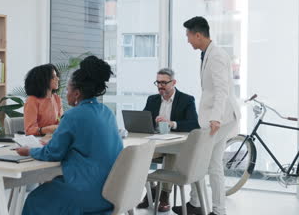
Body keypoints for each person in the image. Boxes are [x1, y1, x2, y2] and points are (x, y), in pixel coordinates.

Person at [16, 55, 123, 215]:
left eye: (68, 89)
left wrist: (29, 151)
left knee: (35, 199)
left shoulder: (73, 115)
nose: (65, 92)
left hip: (86, 194)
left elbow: (52, 153)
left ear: (77, 93)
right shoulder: (107, 112)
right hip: (111, 191)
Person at [172, 16, 241, 215]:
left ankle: (205, 206)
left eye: (188, 36)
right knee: (212, 164)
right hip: (217, 118)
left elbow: (222, 90)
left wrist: (216, 118)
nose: (187, 40)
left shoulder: (217, 56)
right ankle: (201, 205)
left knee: (201, 159)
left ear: (198, 35)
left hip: (222, 118)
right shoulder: (206, 54)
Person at [137, 68, 200, 212]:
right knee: (139, 155)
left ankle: (165, 194)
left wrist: (172, 123)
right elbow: (144, 119)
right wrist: (151, 122)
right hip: (156, 143)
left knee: (171, 156)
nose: (160, 86)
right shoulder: (152, 99)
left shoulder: (186, 99)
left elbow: (194, 123)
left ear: (174, 82)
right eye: (158, 82)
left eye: (164, 83)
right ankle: (151, 190)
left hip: (176, 144)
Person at [24, 64, 63, 136]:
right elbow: (29, 130)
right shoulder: (32, 100)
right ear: (43, 80)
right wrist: (47, 129)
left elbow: (60, 123)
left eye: (57, 76)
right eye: (53, 77)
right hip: (38, 140)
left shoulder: (57, 99)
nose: (58, 79)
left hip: (52, 138)